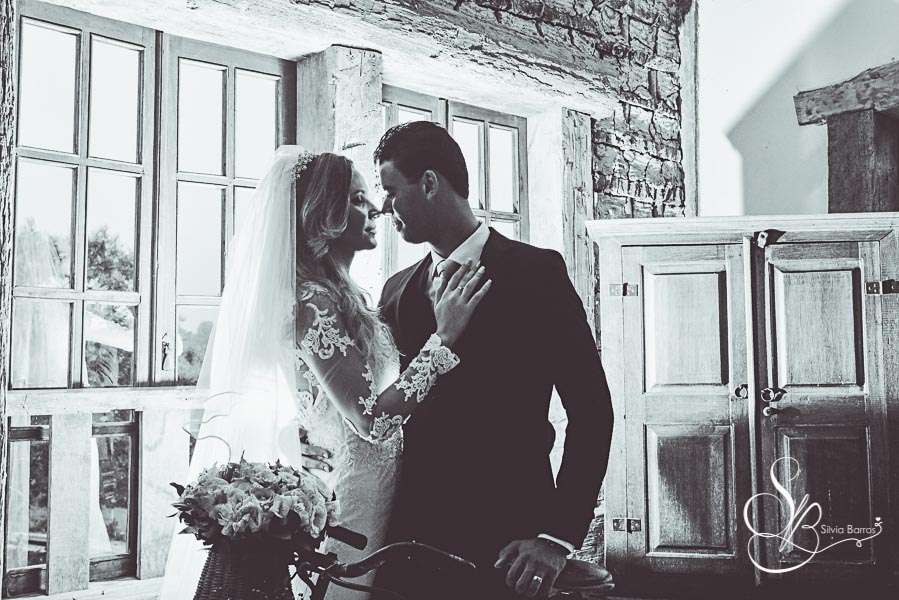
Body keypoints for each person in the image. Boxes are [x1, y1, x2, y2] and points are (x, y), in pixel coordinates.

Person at [158, 146, 490, 600]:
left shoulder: (346, 295)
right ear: (322, 214)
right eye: (357, 199)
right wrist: (444, 337)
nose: (376, 209)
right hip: (355, 496)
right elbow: (373, 421)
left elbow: (330, 397)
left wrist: (307, 431)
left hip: (381, 488)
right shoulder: (313, 303)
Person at [374, 121, 614, 600]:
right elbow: (387, 408)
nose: (384, 207)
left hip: (510, 544)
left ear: (429, 183)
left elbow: (592, 410)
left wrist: (557, 537)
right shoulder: (395, 291)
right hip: (410, 543)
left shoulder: (537, 273)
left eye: (391, 190)